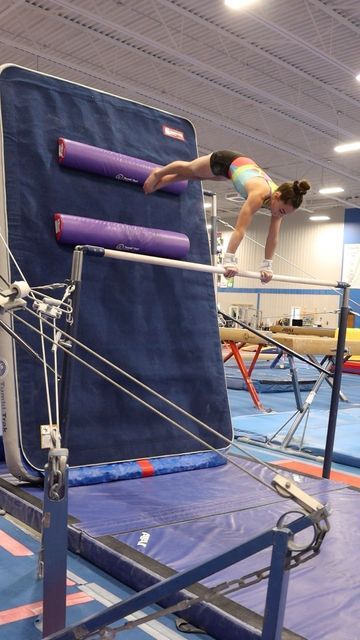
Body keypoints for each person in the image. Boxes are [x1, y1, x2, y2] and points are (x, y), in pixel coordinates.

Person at [143, 150, 310, 282]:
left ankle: (163, 181)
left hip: (236, 169)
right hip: (225, 160)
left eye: (285, 214)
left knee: (194, 176)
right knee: (190, 169)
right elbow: (240, 229)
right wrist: (229, 259)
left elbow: (273, 238)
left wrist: (267, 266)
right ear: (277, 196)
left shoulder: (278, 204)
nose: (279, 215)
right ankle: (159, 173)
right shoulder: (258, 194)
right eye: (281, 211)